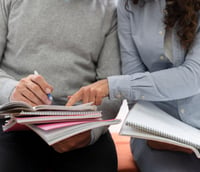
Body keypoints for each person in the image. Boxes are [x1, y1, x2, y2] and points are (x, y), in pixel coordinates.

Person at [67, 0, 200, 171]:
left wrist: (113, 85)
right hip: (156, 136)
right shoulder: (128, 5)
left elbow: (193, 77)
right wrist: (150, 130)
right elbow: (133, 75)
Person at [0, 0, 121, 172]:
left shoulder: (111, 10)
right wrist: (12, 92)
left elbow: (113, 86)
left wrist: (91, 133)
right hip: (12, 121)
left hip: (80, 128)